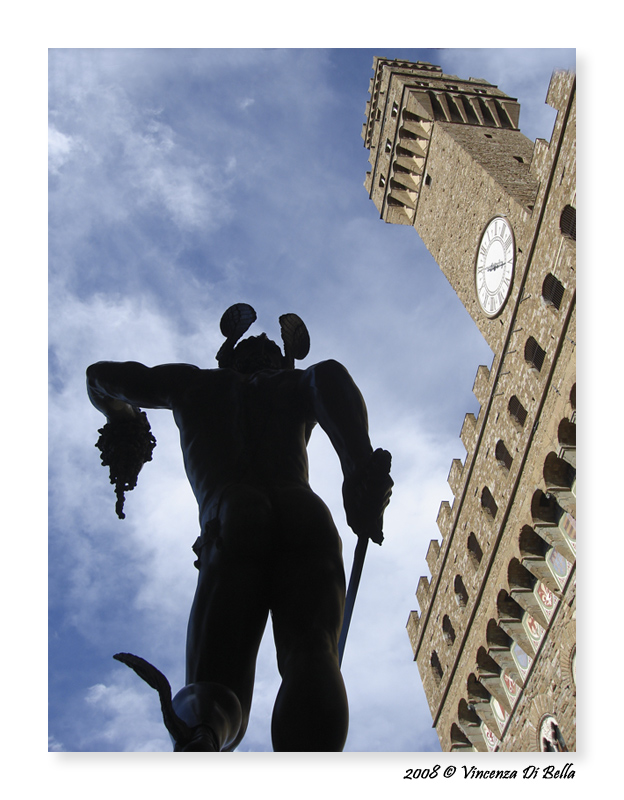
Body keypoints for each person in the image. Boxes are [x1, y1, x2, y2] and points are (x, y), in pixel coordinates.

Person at [86, 305, 392, 752]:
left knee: (215, 690)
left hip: (231, 517)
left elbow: (99, 375)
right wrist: (357, 466)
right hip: (304, 513)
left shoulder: (192, 384)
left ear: (225, 360)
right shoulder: (295, 382)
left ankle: (203, 737)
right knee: (312, 655)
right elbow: (328, 375)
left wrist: (125, 420)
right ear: (281, 362)